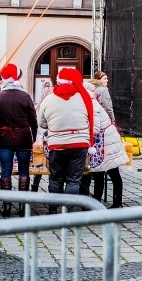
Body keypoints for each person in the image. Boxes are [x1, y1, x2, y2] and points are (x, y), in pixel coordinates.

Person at [37, 67, 94, 212]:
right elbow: (92, 118)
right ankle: (68, 211)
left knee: (55, 178)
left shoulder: (49, 98)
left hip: (57, 144)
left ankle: (52, 210)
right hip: (79, 143)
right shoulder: (84, 96)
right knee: (73, 180)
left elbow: (41, 122)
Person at [0, 63, 37, 216]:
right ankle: (23, 205)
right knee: (24, 169)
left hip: (4, 139)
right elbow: (33, 119)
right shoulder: (25, 96)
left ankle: (6, 205)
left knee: (5, 170)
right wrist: (34, 136)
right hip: (23, 137)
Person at [85, 87, 128, 208]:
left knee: (111, 172)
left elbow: (95, 126)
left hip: (105, 141)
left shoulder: (91, 104)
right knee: (101, 172)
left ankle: (115, 202)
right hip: (104, 140)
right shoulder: (91, 102)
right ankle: (102, 201)